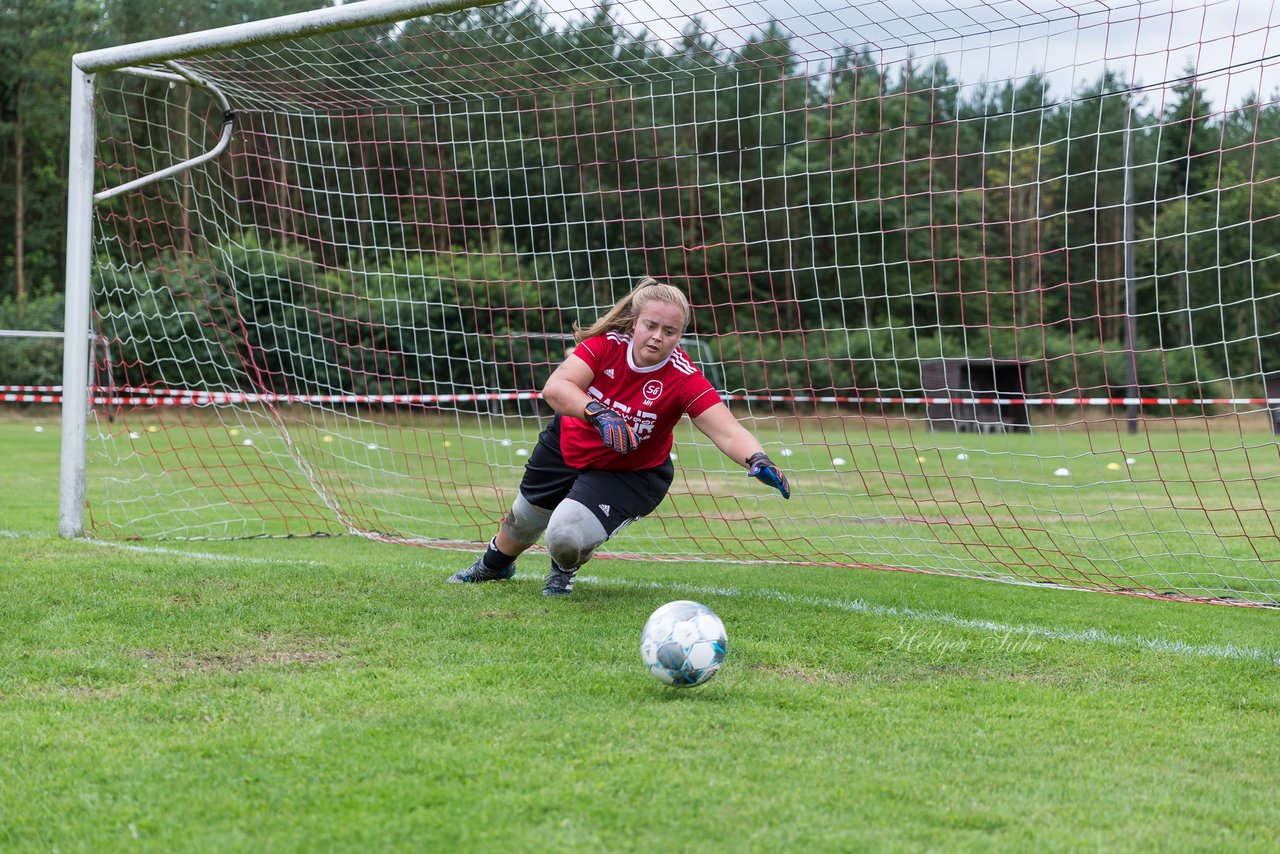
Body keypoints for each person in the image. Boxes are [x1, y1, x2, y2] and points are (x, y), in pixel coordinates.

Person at [449, 276, 791, 596]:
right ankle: (494, 566)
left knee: (565, 534)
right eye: (651, 326)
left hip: (628, 471)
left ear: (680, 335)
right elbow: (555, 388)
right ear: (634, 323)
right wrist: (598, 413)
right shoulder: (604, 347)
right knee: (523, 519)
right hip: (567, 447)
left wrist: (757, 459)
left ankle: (563, 568)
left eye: (669, 331)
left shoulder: (683, 377)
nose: (658, 337)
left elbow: (727, 430)